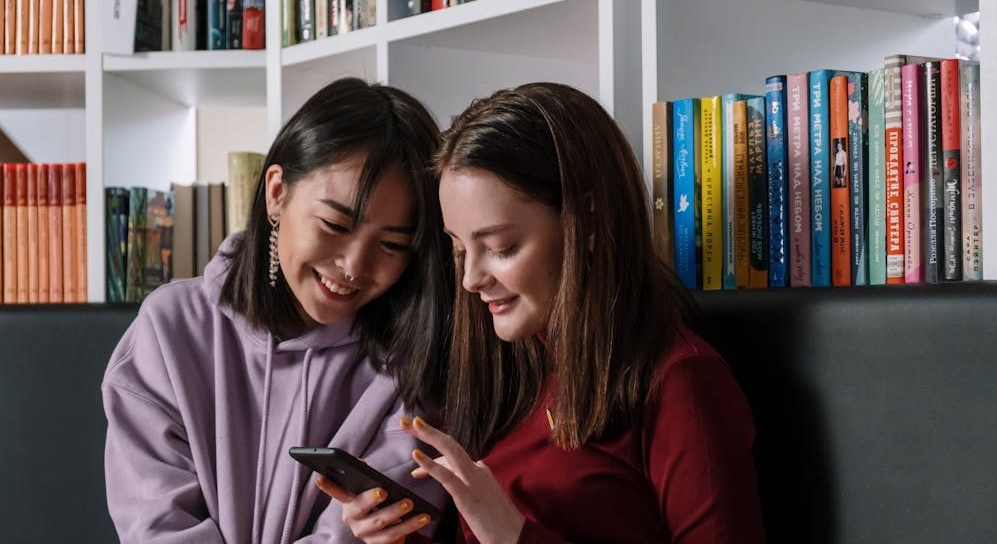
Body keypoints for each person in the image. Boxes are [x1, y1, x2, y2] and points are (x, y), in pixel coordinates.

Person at [322, 83, 767, 543]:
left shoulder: (680, 383)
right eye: (458, 250)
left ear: (588, 224)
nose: (471, 279)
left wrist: (514, 535)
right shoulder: (508, 371)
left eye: (500, 247)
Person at [102, 77, 453, 543]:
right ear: (276, 192)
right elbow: (156, 529)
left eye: (392, 245)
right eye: (334, 224)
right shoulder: (169, 331)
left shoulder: (413, 358)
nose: (353, 266)